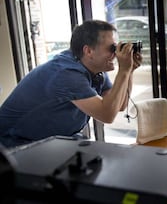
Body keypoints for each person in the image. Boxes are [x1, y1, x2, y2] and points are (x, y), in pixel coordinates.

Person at [0, 20, 142, 148]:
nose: (116, 54)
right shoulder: (66, 73)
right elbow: (107, 115)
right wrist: (123, 70)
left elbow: (120, 105)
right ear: (89, 51)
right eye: (112, 49)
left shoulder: (93, 66)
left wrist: (129, 71)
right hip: (14, 145)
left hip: (52, 139)